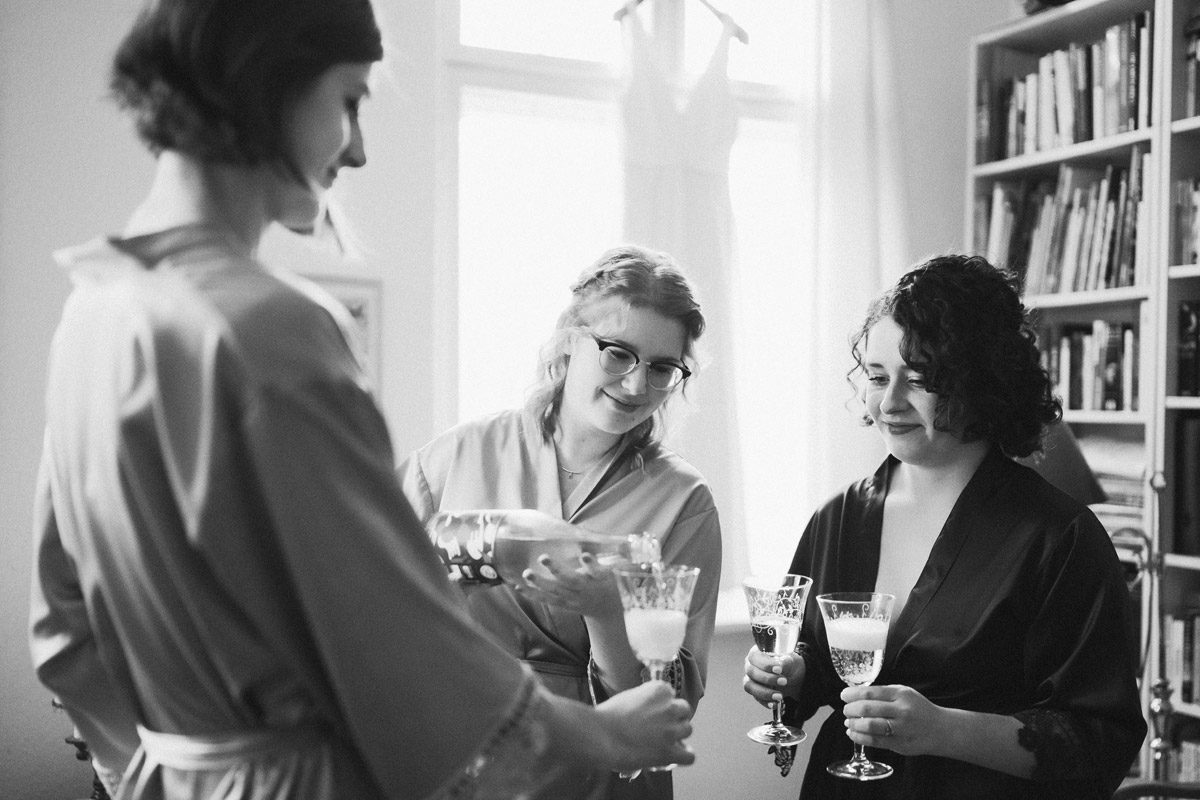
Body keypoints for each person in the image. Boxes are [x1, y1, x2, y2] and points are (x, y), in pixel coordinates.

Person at [27, 2, 695, 798]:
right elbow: (392, 636)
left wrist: (156, 768)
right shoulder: (273, 327)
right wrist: (602, 733)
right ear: (264, 82)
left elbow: (65, 631)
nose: (360, 148)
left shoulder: (93, 313)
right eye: (349, 99)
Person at [743, 254, 1147, 799]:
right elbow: (817, 663)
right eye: (878, 377)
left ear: (980, 382)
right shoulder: (838, 519)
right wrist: (788, 676)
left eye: (921, 380)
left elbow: (1098, 738)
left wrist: (944, 730)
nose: (889, 403)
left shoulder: (1060, 538)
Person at [398, 244, 722, 800]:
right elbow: (371, 594)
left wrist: (606, 613)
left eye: (663, 368)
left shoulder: (683, 500)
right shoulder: (457, 455)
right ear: (572, 338)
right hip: (469, 746)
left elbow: (670, 703)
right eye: (618, 353)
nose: (637, 384)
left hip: (603, 770)